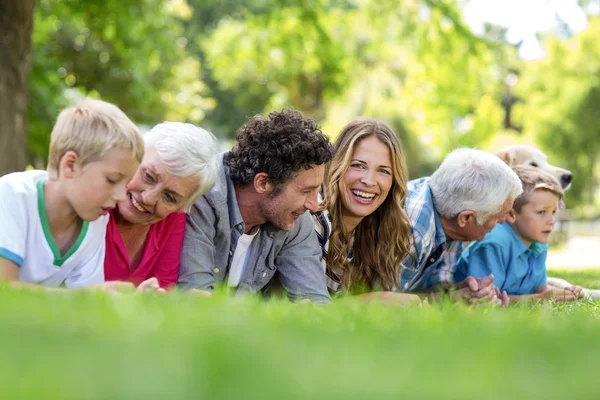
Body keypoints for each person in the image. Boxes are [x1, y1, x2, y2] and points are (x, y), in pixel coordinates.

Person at [178, 109, 332, 303]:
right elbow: (194, 300)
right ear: (262, 183)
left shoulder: (295, 219)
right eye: (305, 191)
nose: (314, 205)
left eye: (316, 191)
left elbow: (317, 304)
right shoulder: (204, 197)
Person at [0, 99, 143, 290]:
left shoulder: (96, 220)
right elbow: (5, 291)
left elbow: (84, 304)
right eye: (112, 179)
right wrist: (90, 296)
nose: (121, 196)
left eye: (125, 185)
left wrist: (132, 298)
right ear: (71, 165)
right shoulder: (11, 195)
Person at [313, 118, 419, 304]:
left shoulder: (378, 231)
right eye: (358, 166)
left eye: (383, 171)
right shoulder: (314, 219)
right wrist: (378, 300)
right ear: (337, 166)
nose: (369, 181)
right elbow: (304, 309)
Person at [103, 122, 219, 289]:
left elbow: (162, 291)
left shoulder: (172, 220)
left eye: (169, 197)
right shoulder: (95, 200)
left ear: (183, 205)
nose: (148, 199)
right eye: (148, 176)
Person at [399, 148, 523, 304]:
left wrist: (464, 291)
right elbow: (383, 302)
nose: (504, 220)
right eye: (498, 216)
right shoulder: (412, 229)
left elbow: (429, 288)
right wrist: (452, 299)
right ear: (466, 218)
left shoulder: (450, 217)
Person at [454, 165, 583, 303]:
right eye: (541, 212)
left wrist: (565, 294)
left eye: (553, 212)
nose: (551, 221)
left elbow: (540, 289)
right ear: (511, 213)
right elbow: (487, 300)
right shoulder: (494, 244)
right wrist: (538, 299)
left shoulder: (538, 242)